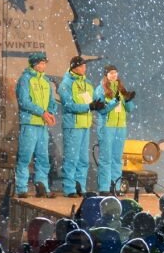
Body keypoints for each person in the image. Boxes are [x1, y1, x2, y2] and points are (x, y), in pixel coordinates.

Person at [14, 51, 58, 199]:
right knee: (25, 157)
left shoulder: (46, 81)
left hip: (42, 126)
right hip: (30, 123)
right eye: (41, 63)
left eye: (45, 63)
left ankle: (42, 186)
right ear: (34, 64)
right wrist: (42, 113)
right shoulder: (25, 80)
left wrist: (50, 113)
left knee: (43, 157)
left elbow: (52, 101)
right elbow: (24, 101)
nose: (43, 65)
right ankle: (21, 188)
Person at [59, 56, 102, 197]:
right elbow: (69, 105)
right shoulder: (66, 84)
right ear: (75, 67)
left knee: (83, 159)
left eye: (85, 65)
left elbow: (93, 101)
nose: (85, 68)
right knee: (71, 158)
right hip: (73, 125)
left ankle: (80, 186)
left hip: (85, 125)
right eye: (82, 66)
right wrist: (89, 106)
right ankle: (69, 188)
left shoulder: (87, 84)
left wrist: (99, 104)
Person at [95, 64, 136, 195]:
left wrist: (128, 100)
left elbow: (129, 109)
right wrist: (114, 101)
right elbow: (101, 110)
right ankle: (104, 188)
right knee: (106, 158)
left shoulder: (121, 89)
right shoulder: (100, 90)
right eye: (111, 73)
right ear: (106, 75)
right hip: (107, 126)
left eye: (115, 72)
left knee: (117, 158)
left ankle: (116, 186)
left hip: (120, 127)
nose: (114, 75)